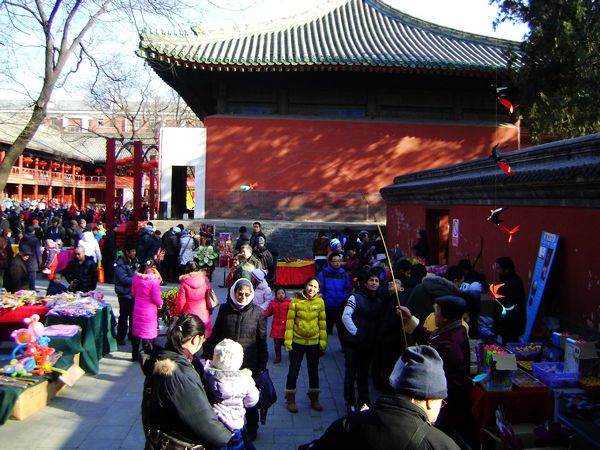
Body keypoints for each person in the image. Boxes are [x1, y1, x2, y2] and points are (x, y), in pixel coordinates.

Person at [299, 346, 459, 450]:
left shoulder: (347, 425)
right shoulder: (440, 445)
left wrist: (360, 420)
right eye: (442, 402)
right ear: (430, 401)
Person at [141, 314, 232, 449]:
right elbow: (202, 421)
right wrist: (228, 438)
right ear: (195, 339)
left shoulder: (163, 356)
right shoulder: (179, 374)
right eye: (203, 340)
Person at [397, 296, 476, 447]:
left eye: (436, 311)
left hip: (446, 403)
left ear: (445, 317)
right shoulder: (452, 329)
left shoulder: (451, 344)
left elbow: (435, 351)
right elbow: (430, 338)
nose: (434, 315)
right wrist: (410, 318)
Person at [203, 278, 268, 441]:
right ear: (234, 292)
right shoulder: (225, 310)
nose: (243, 297)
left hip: (249, 365)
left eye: (247, 294)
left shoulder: (258, 313)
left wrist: (262, 365)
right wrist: (207, 354)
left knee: (249, 399)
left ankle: (252, 428)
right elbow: (216, 334)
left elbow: (262, 341)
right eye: (240, 293)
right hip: (225, 364)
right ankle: (224, 427)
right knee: (224, 398)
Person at [342, 267, 385, 413]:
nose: (374, 283)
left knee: (363, 374)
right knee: (351, 373)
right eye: (371, 280)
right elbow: (345, 317)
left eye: (376, 281)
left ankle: (364, 401)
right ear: (365, 283)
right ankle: (350, 401)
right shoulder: (355, 297)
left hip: (368, 344)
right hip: (353, 343)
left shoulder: (379, 301)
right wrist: (357, 333)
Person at [204, 339, 260, 449]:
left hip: (216, 424)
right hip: (236, 424)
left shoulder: (209, 376)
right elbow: (252, 400)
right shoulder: (246, 380)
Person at [284, 277, 327, 413]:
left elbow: (322, 324)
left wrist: (323, 342)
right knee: (294, 370)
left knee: (313, 371)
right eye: (310, 285)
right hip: (297, 341)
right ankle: (290, 398)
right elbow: (290, 323)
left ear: (318, 290)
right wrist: (288, 341)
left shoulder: (320, 302)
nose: (311, 289)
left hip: (313, 342)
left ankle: (314, 398)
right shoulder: (296, 302)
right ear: (305, 285)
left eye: (315, 287)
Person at [317, 252, 352, 348]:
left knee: (342, 329)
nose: (337, 263)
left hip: (340, 306)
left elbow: (347, 289)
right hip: (327, 306)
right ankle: (321, 348)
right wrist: (324, 299)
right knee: (325, 329)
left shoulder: (344, 274)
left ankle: (344, 349)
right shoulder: (323, 273)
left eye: (339, 261)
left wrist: (342, 298)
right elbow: (320, 289)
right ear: (330, 262)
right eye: (335, 261)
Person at [131, 259, 163, 361]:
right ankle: (146, 357)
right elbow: (156, 297)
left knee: (137, 332)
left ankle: (134, 355)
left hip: (138, 308)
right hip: (149, 311)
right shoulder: (154, 281)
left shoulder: (136, 278)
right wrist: (161, 303)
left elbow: (133, 292)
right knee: (147, 333)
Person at [175, 261, 215, 337]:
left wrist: (178, 313)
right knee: (203, 332)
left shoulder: (185, 282)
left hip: (189, 311)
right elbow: (208, 293)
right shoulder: (205, 279)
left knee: (190, 332)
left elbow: (181, 301)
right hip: (203, 309)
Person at [492, 256, 526, 344]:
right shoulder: (507, 281)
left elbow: (511, 308)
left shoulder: (513, 284)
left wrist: (500, 324)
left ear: (506, 269)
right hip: (506, 327)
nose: (497, 271)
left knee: (507, 352)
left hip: (510, 327)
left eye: (499, 268)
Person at [114, 243, 139, 346]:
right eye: (132, 251)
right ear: (127, 252)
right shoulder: (120, 263)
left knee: (133, 315)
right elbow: (123, 279)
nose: (134, 253)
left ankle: (132, 335)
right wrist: (137, 279)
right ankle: (121, 337)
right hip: (124, 293)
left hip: (134, 293)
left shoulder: (135, 261)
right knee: (124, 316)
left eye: (134, 251)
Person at [263, 287, 292, 363]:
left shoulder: (289, 303)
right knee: (276, 344)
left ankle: (292, 355)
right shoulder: (273, 304)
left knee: (288, 343)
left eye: (282, 293)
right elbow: (269, 312)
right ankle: (278, 356)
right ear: (275, 295)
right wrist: (261, 314)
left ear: (285, 294)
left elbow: (293, 313)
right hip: (276, 328)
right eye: (279, 293)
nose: (281, 295)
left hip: (286, 327)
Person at [19, 226, 42, 290]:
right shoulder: (35, 240)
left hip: (23, 260)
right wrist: (40, 262)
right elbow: (38, 252)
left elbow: (19, 248)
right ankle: (32, 290)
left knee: (24, 278)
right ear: (33, 232)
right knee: (32, 279)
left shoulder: (23, 239)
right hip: (33, 261)